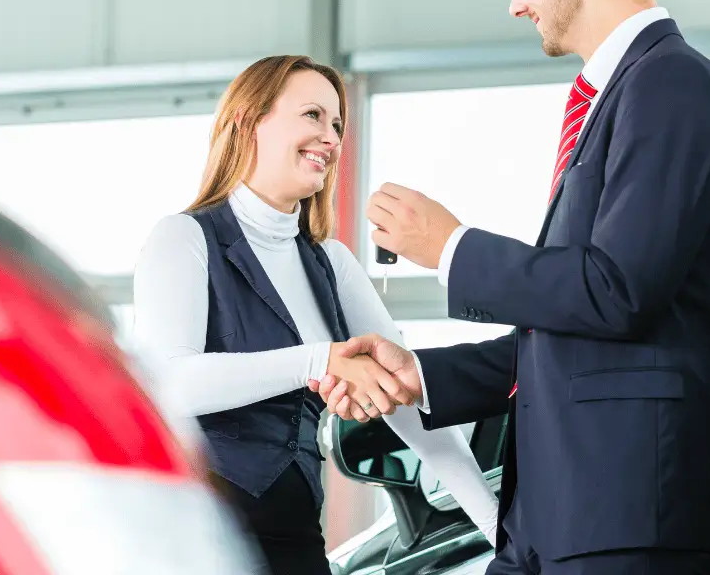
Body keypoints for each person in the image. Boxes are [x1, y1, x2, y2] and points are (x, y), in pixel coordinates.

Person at [311, 0, 710, 574]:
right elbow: (573, 332)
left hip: (628, 513)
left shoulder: (672, 83)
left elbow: (616, 291)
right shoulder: (621, 95)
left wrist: (449, 246)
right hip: (563, 517)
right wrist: (420, 374)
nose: (516, 2)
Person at [130, 55, 499, 574]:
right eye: (312, 115)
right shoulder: (184, 238)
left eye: (338, 124)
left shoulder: (331, 263)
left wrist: (500, 531)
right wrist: (319, 359)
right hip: (200, 542)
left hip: (296, 543)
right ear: (247, 120)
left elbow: (406, 400)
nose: (330, 136)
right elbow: (170, 383)